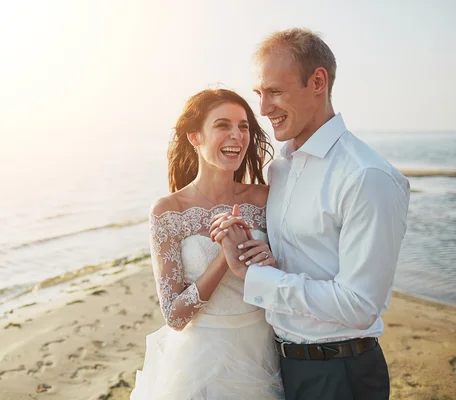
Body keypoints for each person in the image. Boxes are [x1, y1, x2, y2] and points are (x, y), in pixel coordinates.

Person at [211, 28, 410, 400]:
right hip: (282, 365)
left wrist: (256, 277)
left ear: (317, 81)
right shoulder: (280, 169)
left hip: (339, 374)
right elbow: (303, 259)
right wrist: (265, 257)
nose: (264, 108)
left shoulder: (366, 177)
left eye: (275, 92)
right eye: (260, 94)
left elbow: (360, 306)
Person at [131, 88, 284, 399]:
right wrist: (225, 258)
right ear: (194, 137)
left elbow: (291, 279)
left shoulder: (266, 198)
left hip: (263, 352)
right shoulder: (168, 211)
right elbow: (174, 315)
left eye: (243, 127)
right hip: (199, 363)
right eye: (222, 125)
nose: (237, 136)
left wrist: (274, 261)